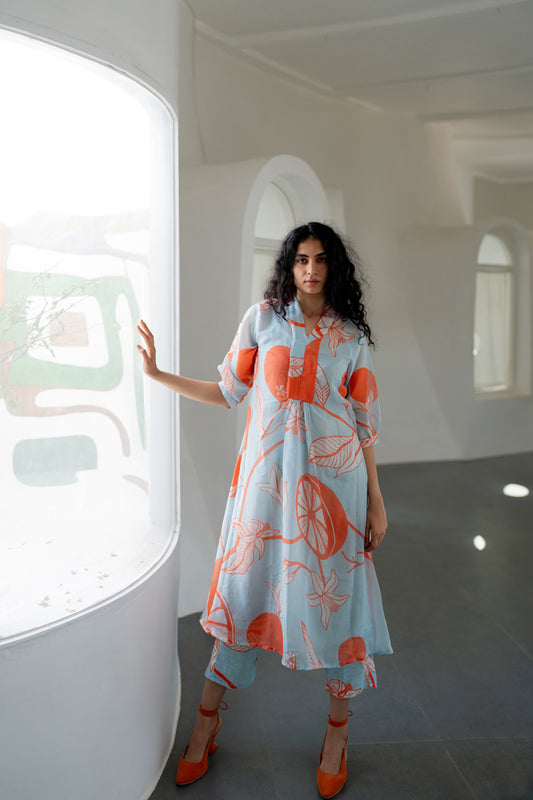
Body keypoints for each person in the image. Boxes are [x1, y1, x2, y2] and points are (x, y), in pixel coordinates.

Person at [137, 221, 392, 798]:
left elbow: (364, 426)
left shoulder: (350, 337)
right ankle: (205, 725)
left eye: (321, 259)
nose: (311, 269)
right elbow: (227, 391)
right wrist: (156, 374)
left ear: (334, 266)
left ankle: (336, 736)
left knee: (339, 608)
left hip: (335, 493)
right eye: (301, 259)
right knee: (242, 595)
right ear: (289, 265)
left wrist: (375, 500)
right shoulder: (262, 319)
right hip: (264, 490)